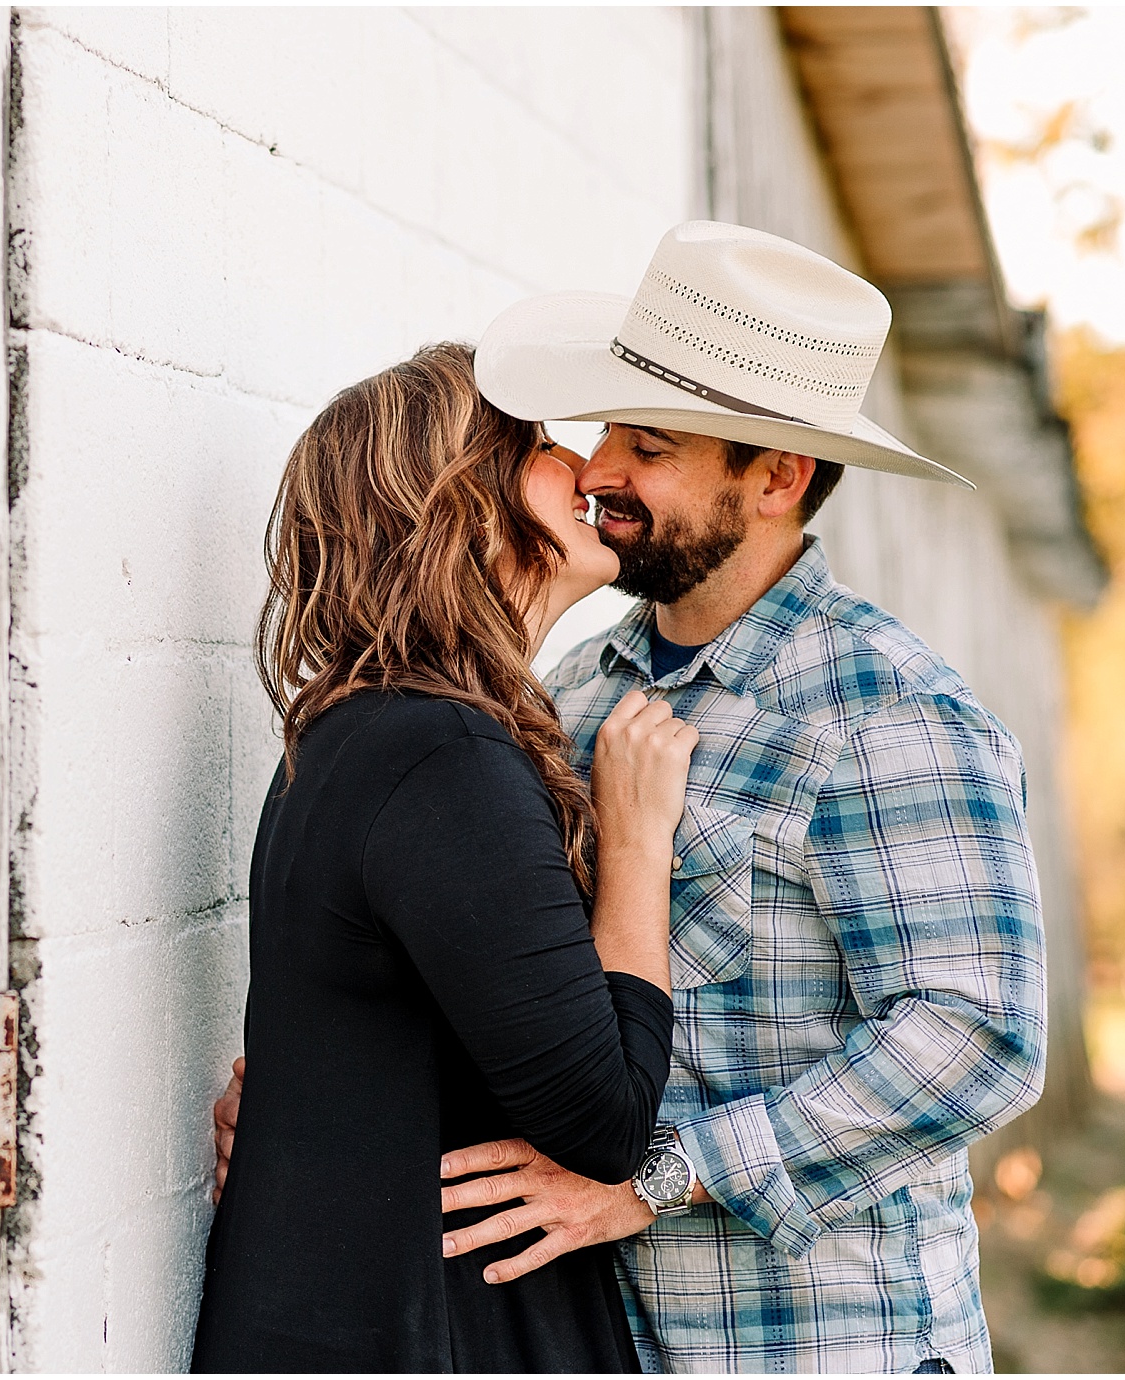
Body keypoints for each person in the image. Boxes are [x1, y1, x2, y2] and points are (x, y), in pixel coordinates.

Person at [212, 223, 1048, 1374]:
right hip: (613, 1331)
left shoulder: (885, 714)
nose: (600, 470)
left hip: (813, 1339)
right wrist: (328, 1098)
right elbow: (514, 981)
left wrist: (658, 1181)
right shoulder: (567, 693)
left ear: (775, 477)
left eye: (647, 445)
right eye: (604, 429)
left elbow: (976, 1037)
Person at [190, 342, 699, 1373]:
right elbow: (603, 1119)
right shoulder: (442, 752)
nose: (584, 472)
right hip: (428, 1328)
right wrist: (640, 846)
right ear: (472, 508)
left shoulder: (361, 730)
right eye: (542, 449)